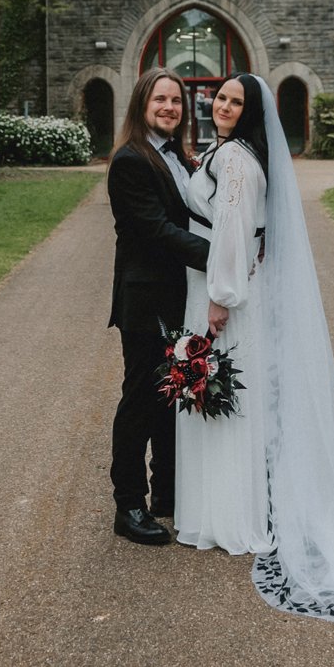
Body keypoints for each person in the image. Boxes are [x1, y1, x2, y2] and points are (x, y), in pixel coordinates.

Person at [176, 74, 334, 623]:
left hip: (225, 294)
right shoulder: (232, 153)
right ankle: (228, 508)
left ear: (250, 112)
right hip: (232, 285)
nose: (223, 105)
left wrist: (221, 298)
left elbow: (231, 229)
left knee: (230, 399)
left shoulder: (236, 162)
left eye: (234, 101)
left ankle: (232, 517)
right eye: (220, 97)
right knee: (231, 397)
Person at [106, 68, 210, 546]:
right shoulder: (131, 161)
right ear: (142, 106)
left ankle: (167, 492)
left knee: (174, 397)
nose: (169, 107)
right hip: (146, 299)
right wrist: (220, 257)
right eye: (160, 100)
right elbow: (156, 231)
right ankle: (128, 504)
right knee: (141, 400)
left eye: (175, 100)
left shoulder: (181, 158)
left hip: (179, 298)